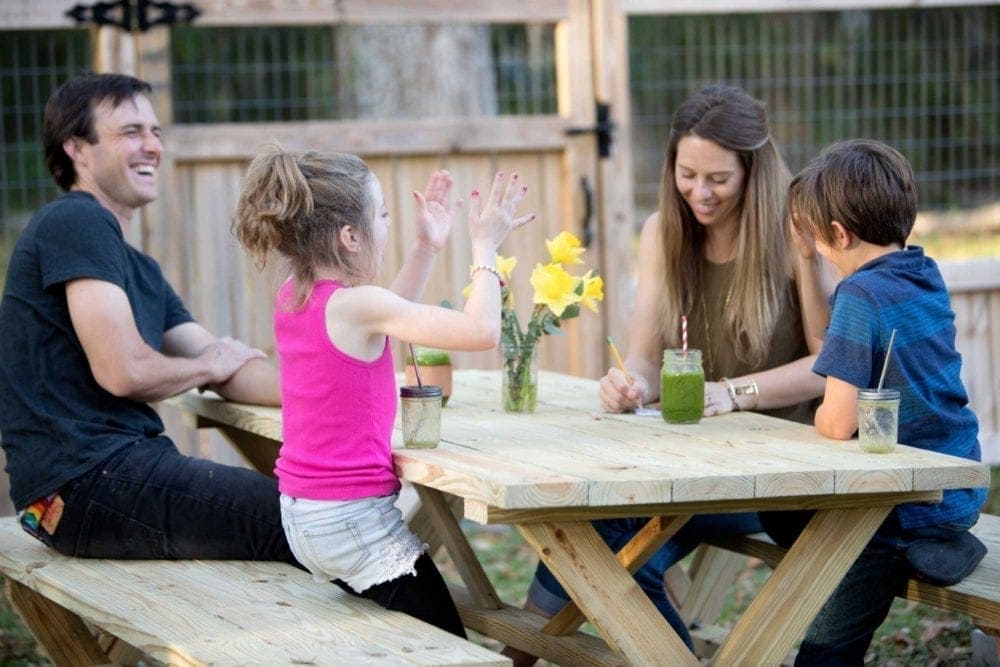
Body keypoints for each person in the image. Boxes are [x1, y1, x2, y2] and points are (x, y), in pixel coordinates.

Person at [505, 84, 833, 662]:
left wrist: (734, 394)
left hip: (778, 469)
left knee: (602, 548)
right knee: (589, 539)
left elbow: (830, 365)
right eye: (687, 174)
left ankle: (515, 657)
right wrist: (629, 383)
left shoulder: (794, 232)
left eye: (718, 179)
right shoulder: (663, 231)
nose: (699, 193)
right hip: (689, 463)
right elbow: (646, 359)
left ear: (753, 170)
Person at [233, 146, 534, 637]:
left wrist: (426, 247)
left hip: (304, 515)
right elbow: (482, 332)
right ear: (350, 236)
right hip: (353, 525)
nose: (389, 224)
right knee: (446, 645)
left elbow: (383, 319)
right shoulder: (358, 305)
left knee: (410, 634)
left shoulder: (297, 294)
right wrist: (485, 247)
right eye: (383, 214)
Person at [0, 73, 296, 565]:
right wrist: (210, 366)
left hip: (102, 480)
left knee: (309, 524)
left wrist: (329, 390)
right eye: (131, 131)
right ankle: (430, 641)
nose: (152, 146)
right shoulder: (76, 219)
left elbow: (223, 363)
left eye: (156, 132)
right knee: (308, 521)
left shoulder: (138, 268)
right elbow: (124, 371)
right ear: (77, 148)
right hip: (80, 484)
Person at [761, 138, 986, 664]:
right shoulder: (921, 272)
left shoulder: (860, 297)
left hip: (899, 505)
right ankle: (928, 546)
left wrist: (820, 416)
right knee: (792, 518)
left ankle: (888, 562)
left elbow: (837, 423)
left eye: (815, 237)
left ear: (838, 233)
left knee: (824, 649)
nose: (811, 246)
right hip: (957, 485)